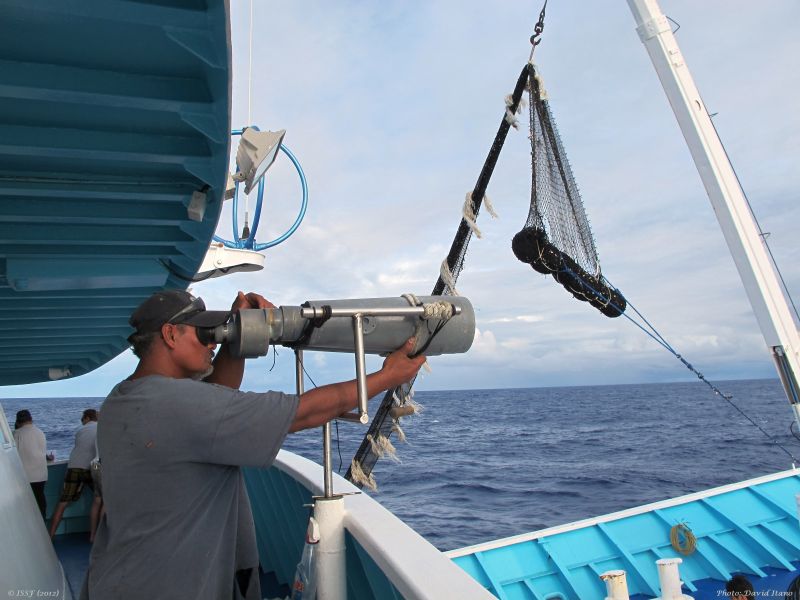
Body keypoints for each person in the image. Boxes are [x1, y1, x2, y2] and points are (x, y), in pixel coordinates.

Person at [81, 289, 425, 600]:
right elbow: (303, 413)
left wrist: (239, 332)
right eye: (203, 333)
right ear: (171, 334)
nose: (212, 343)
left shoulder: (124, 398)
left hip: (121, 578)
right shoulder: (175, 404)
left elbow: (214, 398)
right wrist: (388, 376)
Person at [49, 408, 98, 538]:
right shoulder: (100, 429)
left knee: (63, 502)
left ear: (87, 418)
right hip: (93, 466)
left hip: (74, 466)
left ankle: (50, 535)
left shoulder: (80, 430)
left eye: (83, 418)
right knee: (99, 500)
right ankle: (94, 536)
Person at [13, 409, 48, 518]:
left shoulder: (17, 433)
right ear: (31, 419)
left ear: (18, 421)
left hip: (25, 475)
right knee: (40, 498)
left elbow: (13, 453)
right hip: (41, 474)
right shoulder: (40, 432)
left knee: (26, 503)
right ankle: (43, 521)